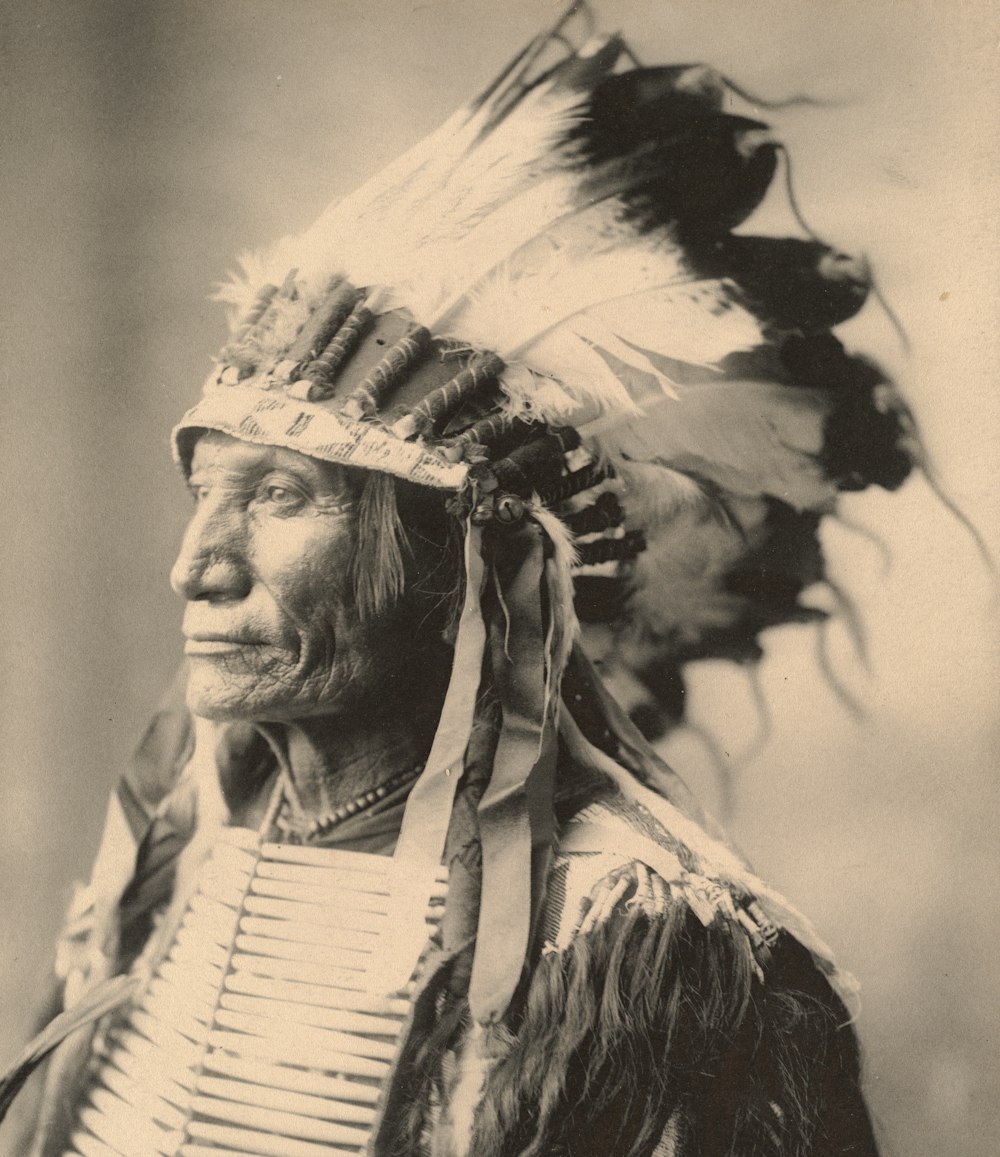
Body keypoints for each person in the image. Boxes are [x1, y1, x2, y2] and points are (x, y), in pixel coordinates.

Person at [0, 6, 907, 1154]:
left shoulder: (652, 944)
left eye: (281, 496)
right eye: (204, 495)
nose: (197, 565)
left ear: (468, 562)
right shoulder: (175, 845)